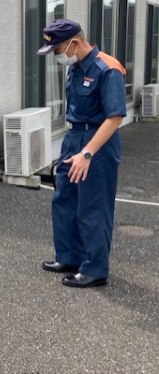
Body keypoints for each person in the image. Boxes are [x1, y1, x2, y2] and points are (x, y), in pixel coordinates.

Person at [37, 19, 126, 288]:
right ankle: (69, 257)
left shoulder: (107, 69)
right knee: (64, 199)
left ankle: (95, 269)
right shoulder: (75, 67)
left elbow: (115, 117)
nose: (57, 55)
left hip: (97, 144)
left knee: (93, 206)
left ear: (74, 43)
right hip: (74, 137)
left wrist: (87, 153)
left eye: (57, 49)